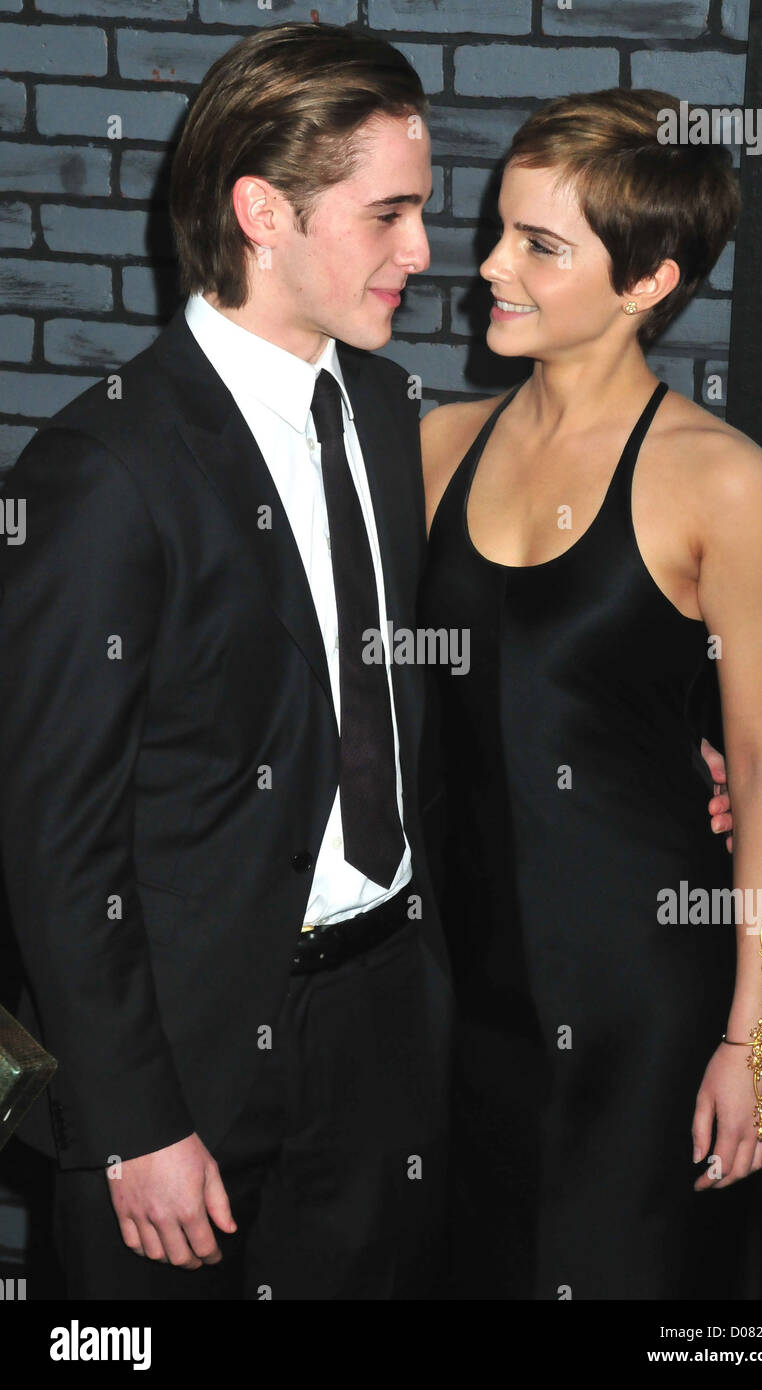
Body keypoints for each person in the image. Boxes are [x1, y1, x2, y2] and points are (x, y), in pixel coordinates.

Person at [0, 22, 453, 1300]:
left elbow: (416, 683)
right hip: (186, 1067)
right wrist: (132, 1118)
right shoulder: (101, 475)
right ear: (264, 210)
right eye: (391, 215)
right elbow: (51, 837)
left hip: (383, 1026)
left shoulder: (382, 409)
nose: (423, 254)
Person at [419, 89, 762, 1300]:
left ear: (646, 283)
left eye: (540, 245)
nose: (489, 265)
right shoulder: (434, 449)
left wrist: (757, 1040)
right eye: (498, 229)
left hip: (637, 999)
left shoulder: (723, 482)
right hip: (448, 995)